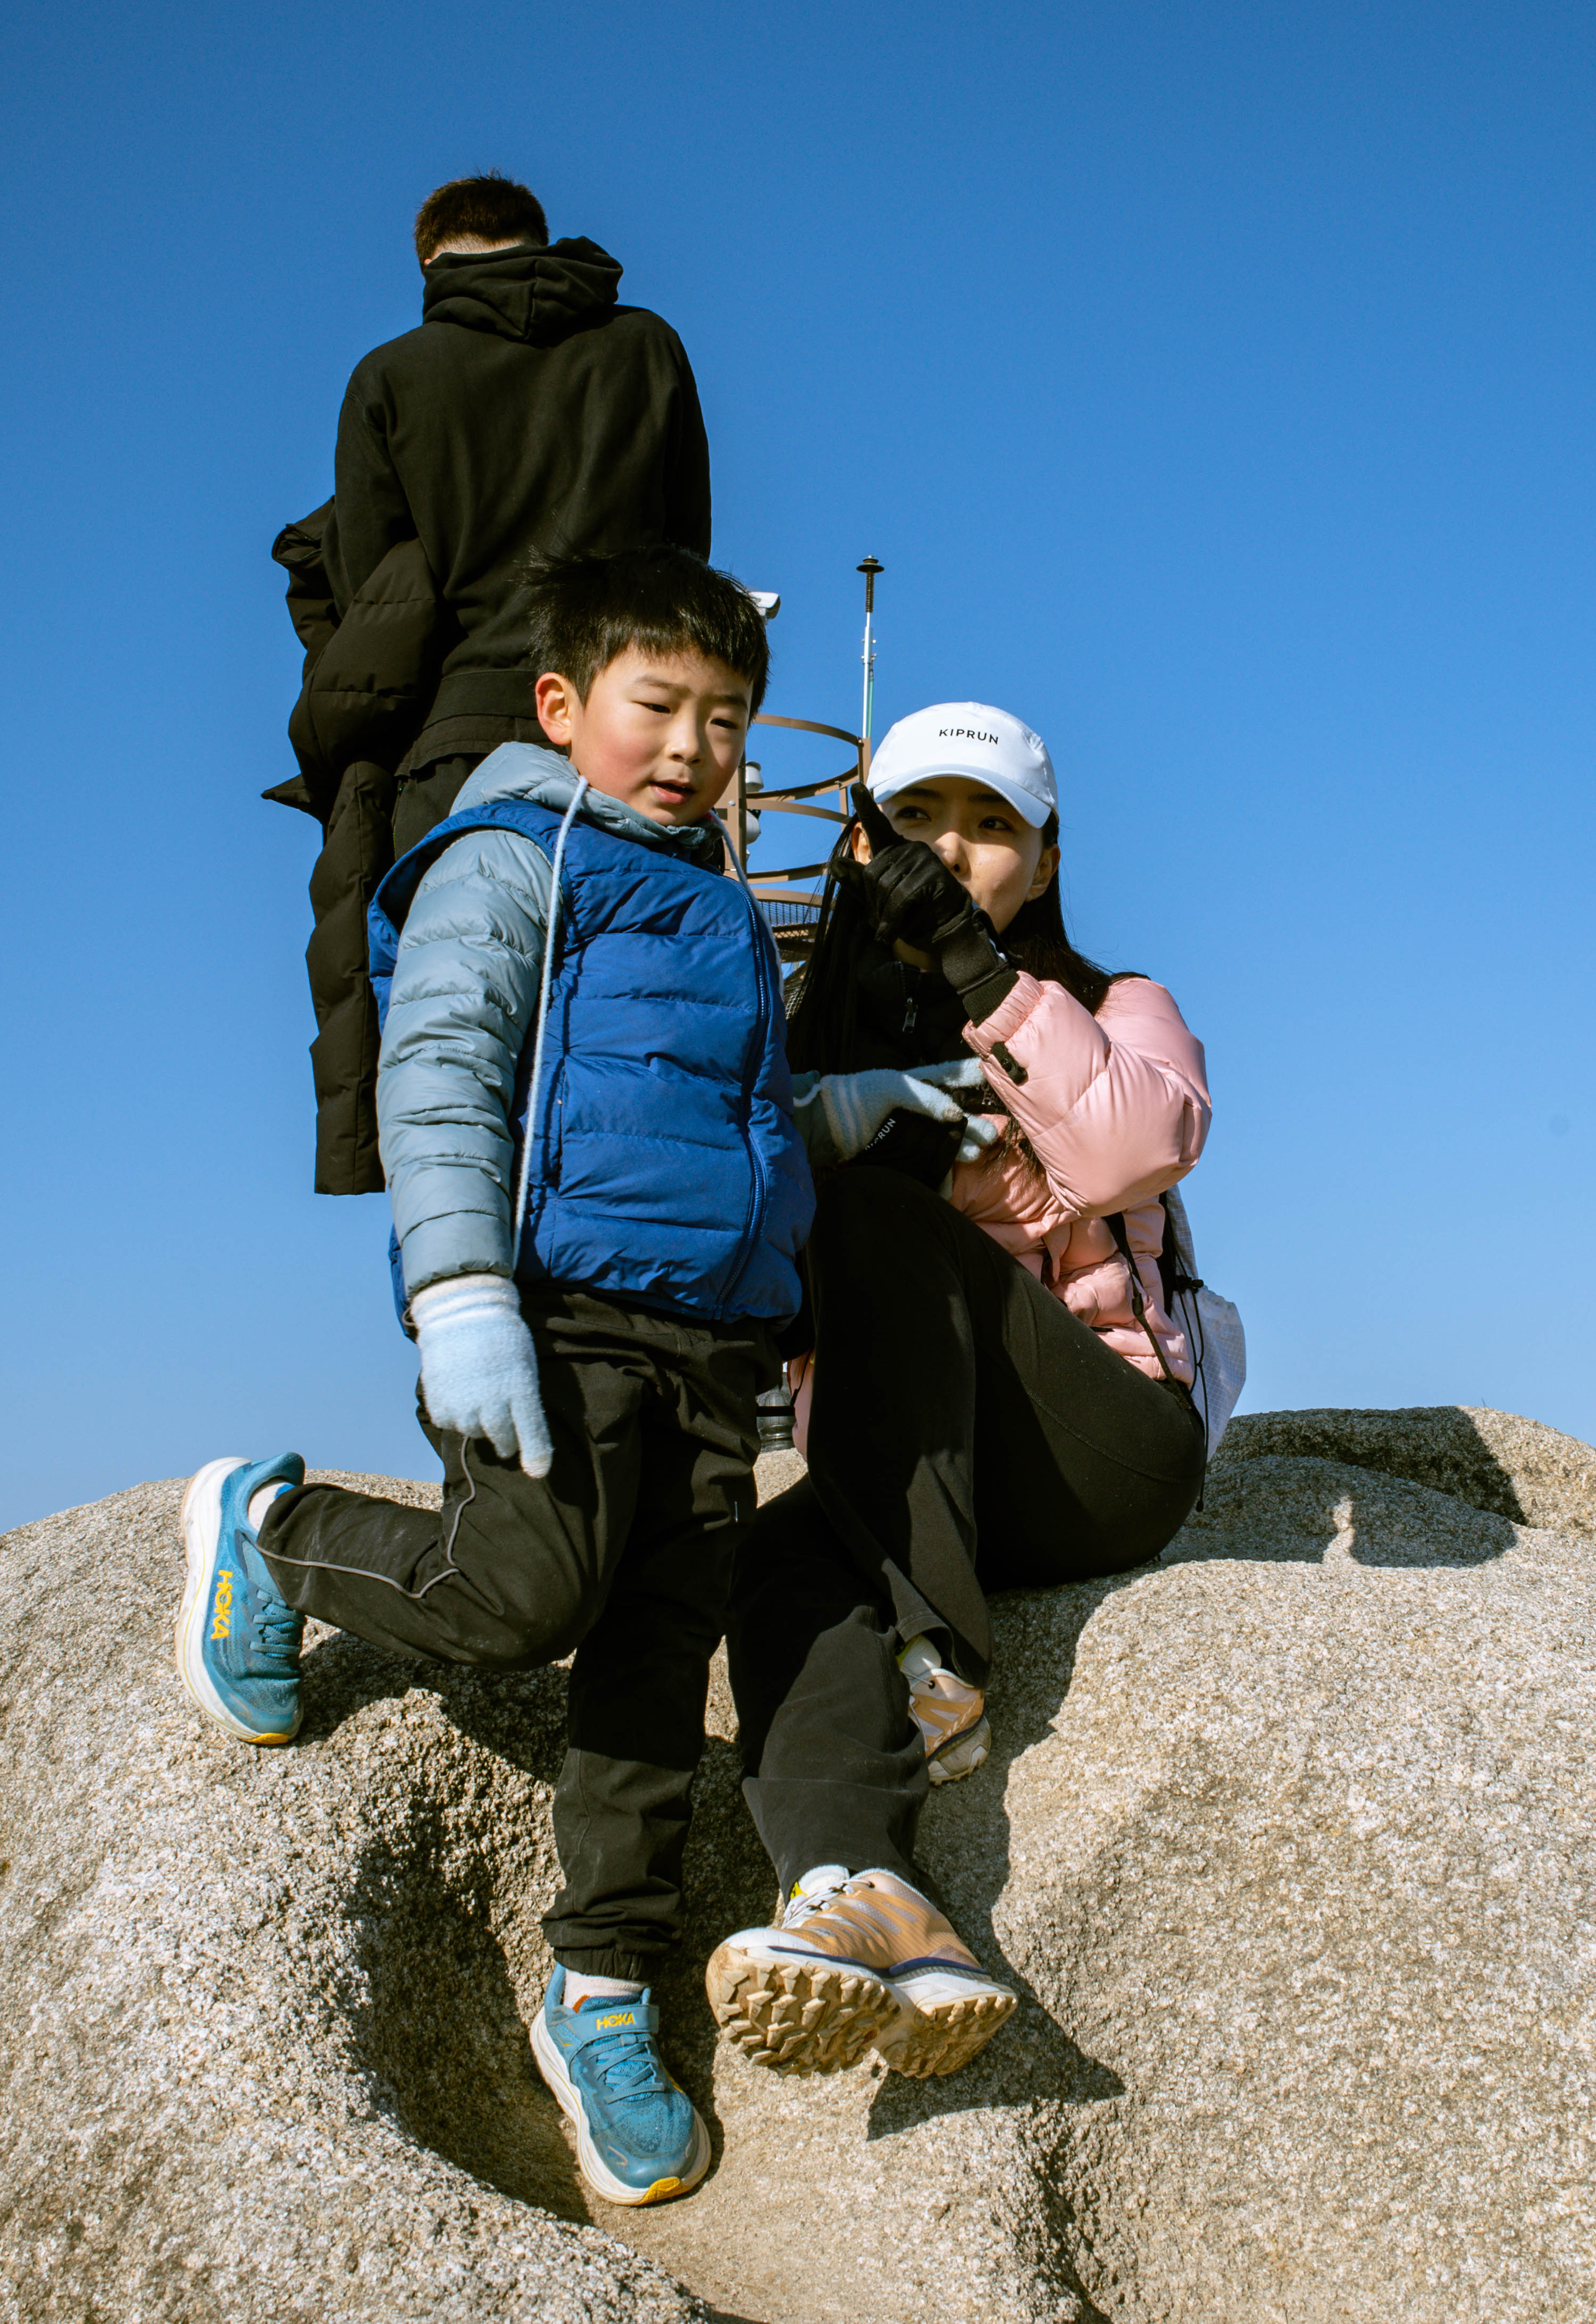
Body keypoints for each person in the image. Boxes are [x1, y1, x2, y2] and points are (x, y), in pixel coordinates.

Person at [177, 548, 949, 2208]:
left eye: (725, 718)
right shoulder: (513, 858)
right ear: (559, 703)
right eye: (656, 705)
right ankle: (273, 1533)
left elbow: (733, 1125)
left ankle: (598, 1988)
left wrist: (852, 1109)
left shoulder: (723, 907)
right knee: (527, 1593)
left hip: (714, 1345)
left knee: (653, 1678)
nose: (693, 745)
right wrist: (459, 1292)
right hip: (558, 1314)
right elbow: (441, 1066)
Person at [701, 702, 1216, 2084]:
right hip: (908, 1476)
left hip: (1095, 1454)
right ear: (862, 845)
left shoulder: (1116, 1005)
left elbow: (1129, 1154)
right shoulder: (796, 1032)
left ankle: (938, 1658)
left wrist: (978, 975)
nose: (953, 849)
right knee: (780, 1563)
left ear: (1043, 863)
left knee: (881, 1212)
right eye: (919, 819)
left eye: (991, 826)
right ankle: (862, 1891)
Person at [270, 173, 714, 1196]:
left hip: (455, 760)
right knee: (634, 1067)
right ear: (535, 241)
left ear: (430, 262)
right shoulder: (646, 346)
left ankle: (468, 1285)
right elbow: (684, 552)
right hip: (622, 741)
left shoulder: (390, 376)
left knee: (459, 1080)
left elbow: (376, 590)